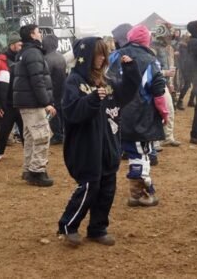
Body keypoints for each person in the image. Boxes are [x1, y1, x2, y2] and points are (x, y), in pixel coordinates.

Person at [57, 37, 139, 247]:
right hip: (86, 148)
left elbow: (125, 94)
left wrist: (130, 72)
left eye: (105, 54)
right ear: (86, 56)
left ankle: (97, 228)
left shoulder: (107, 82)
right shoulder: (74, 82)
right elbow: (71, 112)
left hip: (108, 145)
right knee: (89, 187)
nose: (103, 58)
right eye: (99, 54)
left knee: (107, 189)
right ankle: (69, 226)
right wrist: (92, 99)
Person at [113, 25, 168, 206]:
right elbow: (158, 90)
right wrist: (164, 113)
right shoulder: (149, 60)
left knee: (126, 150)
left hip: (114, 112)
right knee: (140, 153)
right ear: (147, 40)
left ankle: (137, 191)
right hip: (140, 113)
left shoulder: (114, 56)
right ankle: (141, 194)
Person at [12, 24, 56, 187]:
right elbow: (37, 80)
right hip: (33, 102)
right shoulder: (33, 53)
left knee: (30, 136)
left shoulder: (25, 53)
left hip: (25, 101)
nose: (41, 34)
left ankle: (28, 170)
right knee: (42, 135)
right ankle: (37, 171)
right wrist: (46, 103)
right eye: (38, 32)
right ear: (32, 35)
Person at [0, 33, 23, 165]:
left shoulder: (24, 59)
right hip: (6, 104)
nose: (22, 46)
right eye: (19, 44)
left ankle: (30, 155)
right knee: (3, 132)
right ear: (12, 44)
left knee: (26, 133)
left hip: (22, 103)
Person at [43, 34, 67, 145]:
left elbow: (45, 78)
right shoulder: (61, 57)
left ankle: (58, 135)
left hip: (52, 90)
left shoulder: (47, 59)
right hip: (61, 89)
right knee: (60, 112)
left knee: (52, 114)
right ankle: (61, 133)